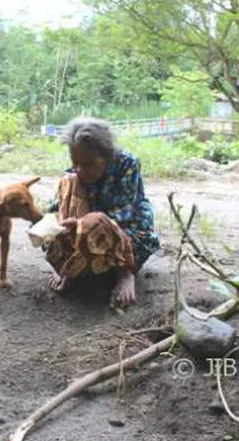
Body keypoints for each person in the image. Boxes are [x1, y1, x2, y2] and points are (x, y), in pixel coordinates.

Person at [42, 117, 160, 308]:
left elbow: (121, 217)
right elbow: (55, 210)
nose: (79, 170)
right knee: (50, 229)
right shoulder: (74, 174)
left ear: (106, 157)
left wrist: (81, 224)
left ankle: (125, 273)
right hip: (86, 235)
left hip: (125, 234)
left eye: (87, 164)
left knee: (96, 223)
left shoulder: (126, 165)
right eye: (75, 163)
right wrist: (52, 227)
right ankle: (69, 270)